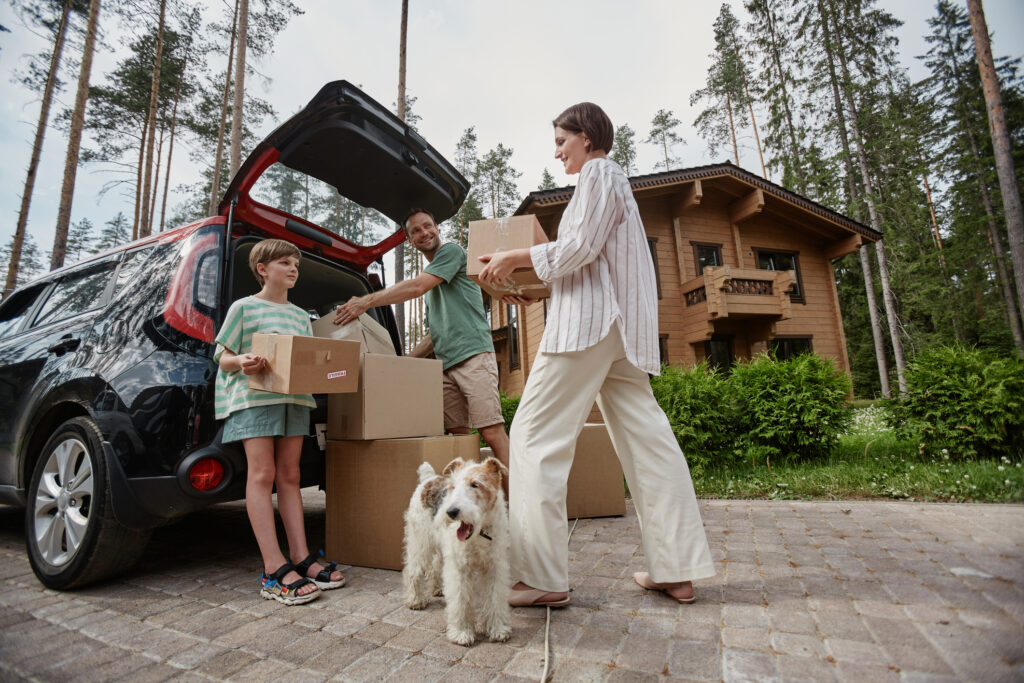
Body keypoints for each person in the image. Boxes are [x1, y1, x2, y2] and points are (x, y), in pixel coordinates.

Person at [477, 103, 715, 608]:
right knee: (648, 444)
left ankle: (542, 576)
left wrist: (515, 257)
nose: (558, 152)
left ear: (586, 137)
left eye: (561, 141)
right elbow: (588, 262)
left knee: (533, 436)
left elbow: (579, 246)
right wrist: (532, 288)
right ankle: (677, 570)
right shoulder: (608, 183)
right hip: (619, 332)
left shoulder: (599, 173)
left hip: (591, 327)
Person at [215, 238, 345, 605]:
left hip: (294, 400)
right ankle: (273, 568)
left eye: (296, 265)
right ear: (262, 269)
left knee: (291, 476)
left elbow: (306, 360)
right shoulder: (244, 308)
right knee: (262, 475)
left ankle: (301, 557)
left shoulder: (302, 315)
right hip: (253, 399)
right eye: (285, 263)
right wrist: (241, 361)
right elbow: (222, 357)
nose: (293, 270)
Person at [333, 209, 510, 479]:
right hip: (446, 365)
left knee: (491, 430)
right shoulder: (433, 283)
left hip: (474, 355)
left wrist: (366, 302)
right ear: (409, 240)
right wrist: (400, 365)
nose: (424, 233)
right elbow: (433, 336)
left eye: (428, 226)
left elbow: (416, 287)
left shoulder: (451, 252)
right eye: (416, 230)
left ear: (437, 228)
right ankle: (473, 510)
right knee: (458, 438)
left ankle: (521, 509)